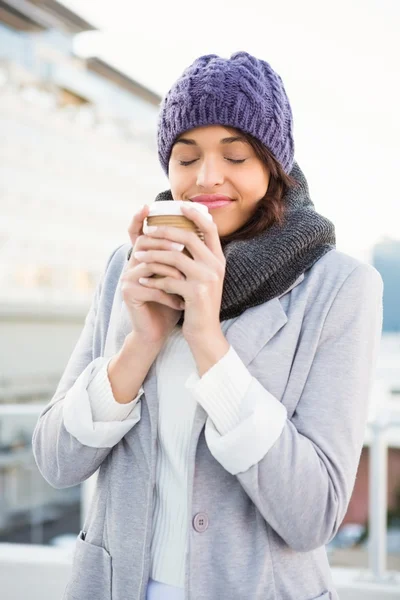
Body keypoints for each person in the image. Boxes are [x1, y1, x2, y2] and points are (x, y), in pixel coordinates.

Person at [32, 52, 383, 600]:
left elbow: (314, 514)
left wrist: (206, 340)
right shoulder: (127, 269)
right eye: (186, 157)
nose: (206, 178)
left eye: (236, 155)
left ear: (273, 167)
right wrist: (141, 341)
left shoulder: (338, 287)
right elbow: (57, 461)